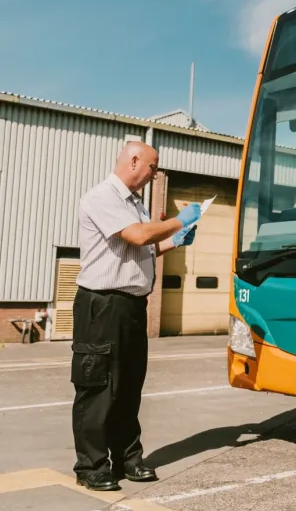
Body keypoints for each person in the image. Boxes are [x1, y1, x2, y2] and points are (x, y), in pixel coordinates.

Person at [71, 141, 202, 492]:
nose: (154, 173)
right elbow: (137, 235)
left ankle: (128, 459)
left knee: (129, 387)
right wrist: (178, 220)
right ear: (133, 160)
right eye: (153, 167)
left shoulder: (136, 205)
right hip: (102, 305)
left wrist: (178, 239)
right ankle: (92, 465)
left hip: (131, 306)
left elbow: (146, 245)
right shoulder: (102, 197)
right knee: (98, 388)